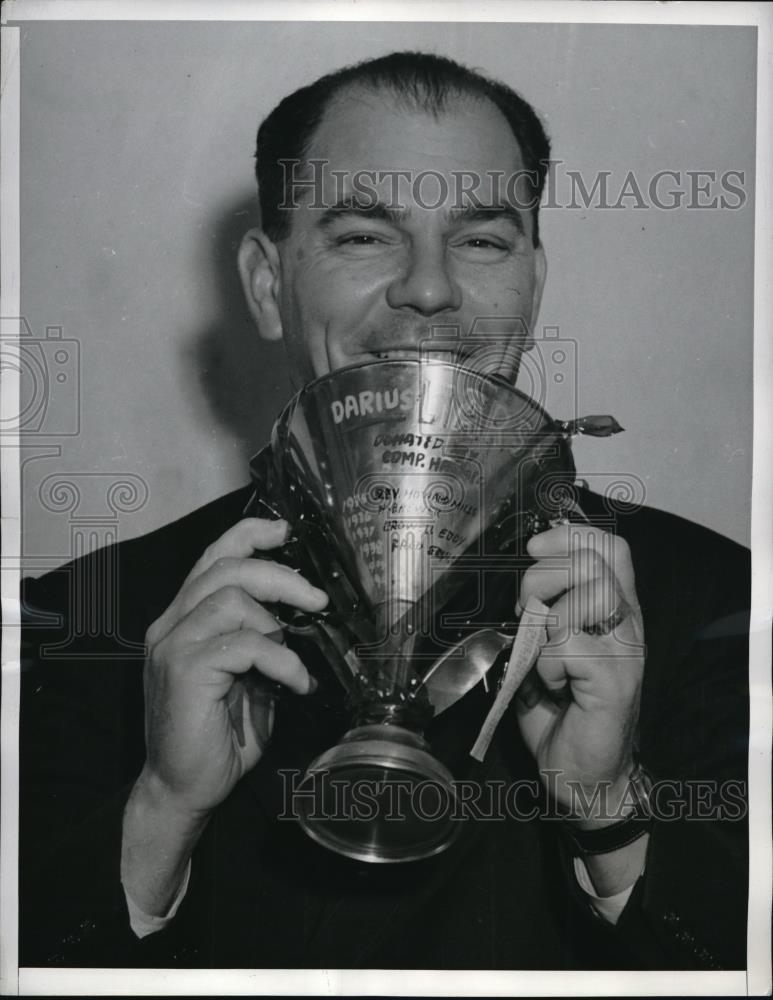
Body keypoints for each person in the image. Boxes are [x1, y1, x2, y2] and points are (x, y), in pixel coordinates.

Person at [19, 51, 749, 970]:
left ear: (533, 279)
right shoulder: (77, 618)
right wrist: (162, 809)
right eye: (364, 236)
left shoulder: (728, 605)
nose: (431, 289)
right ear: (264, 283)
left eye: (482, 240)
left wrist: (610, 810)